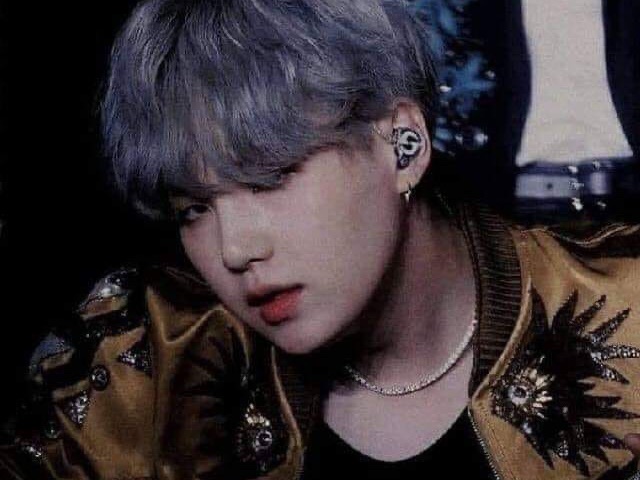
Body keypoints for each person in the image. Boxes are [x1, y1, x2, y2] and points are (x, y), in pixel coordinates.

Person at [3, 1, 640, 479]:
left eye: (270, 176)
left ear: (402, 144)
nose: (234, 249)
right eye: (193, 209)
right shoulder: (146, 361)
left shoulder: (628, 312)